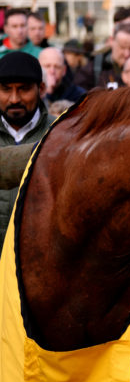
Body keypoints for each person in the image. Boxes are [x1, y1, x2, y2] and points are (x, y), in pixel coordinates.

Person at [0, 52, 57, 244]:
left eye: (24, 89)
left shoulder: (60, 133)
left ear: (41, 88)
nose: (14, 99)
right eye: (6, 90)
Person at [74, 22, 130, 90]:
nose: (126, 54)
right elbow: (78, 98)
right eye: (122, 47)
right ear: (111, 41)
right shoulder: (95, 67)